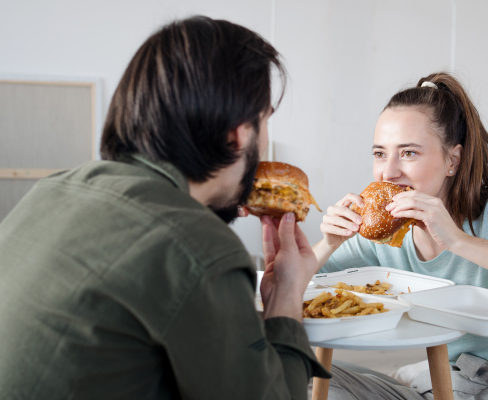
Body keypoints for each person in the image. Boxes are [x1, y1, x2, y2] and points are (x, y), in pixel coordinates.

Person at [0, 16, 330, 399]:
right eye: (264, 122)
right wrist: (287, 299)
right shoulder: (198, 246)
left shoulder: (51, 191)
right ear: (237, 133)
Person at [312, 72, 488, 399]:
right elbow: (284, 288)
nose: (388, 172)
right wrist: (327, 244)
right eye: (380, 153)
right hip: (446, 382)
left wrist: (458, 241)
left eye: (408, 153)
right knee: (301, 371)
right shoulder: (388, 230)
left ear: (453, 160)